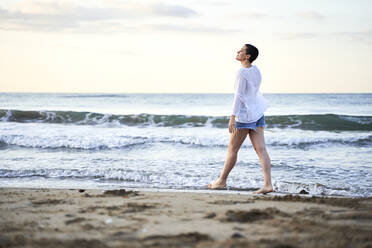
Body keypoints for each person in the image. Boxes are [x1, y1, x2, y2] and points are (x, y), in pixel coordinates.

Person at [207, 44, 273, 194]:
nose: (237, 51)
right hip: (258, 112)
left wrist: (232, 117)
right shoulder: (256, 70)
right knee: (261, 149)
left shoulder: (241, 72)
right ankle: (268, 184)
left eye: (241, 50)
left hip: (245, 115)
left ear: (247, 56)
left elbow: (239, 96)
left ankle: (221, 181)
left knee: (232, 149)